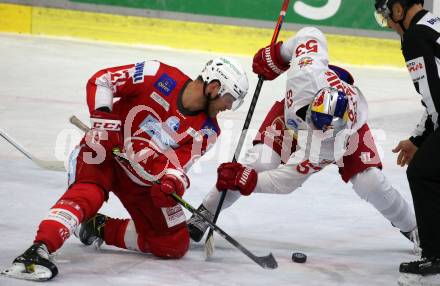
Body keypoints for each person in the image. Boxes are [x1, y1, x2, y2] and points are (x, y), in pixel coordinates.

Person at [1, 57, 249, 281]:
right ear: (214, 87)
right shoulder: (158, 74)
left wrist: (171, 183)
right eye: (229, 100)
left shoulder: (209, 130)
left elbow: (178, 165)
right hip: (105, 150)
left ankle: (96, 226)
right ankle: (39, 249)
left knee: (173, 243)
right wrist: (102, 124)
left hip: (139, 176)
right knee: (90, 193)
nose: (228, 107)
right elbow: (103, 81)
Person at [187, 27, 419, 256]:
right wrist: (279, 55)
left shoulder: (331, 142)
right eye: (315, 123)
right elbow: (311, 34)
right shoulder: (306, 75)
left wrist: (248, 180)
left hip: (346, 136)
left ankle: (415, 229)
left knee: (370, 182)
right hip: (288, 121)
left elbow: (286, 181)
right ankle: (205, 212)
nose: (316, 131)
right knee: (259, 162)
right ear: (312, 103)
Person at [374, 0, 440, 284]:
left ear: (398, 11)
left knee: (422, 172)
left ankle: (434, 255)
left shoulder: (414, 39)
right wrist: (419, 138)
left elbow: (434, 98)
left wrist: (426, 139)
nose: (388, 24)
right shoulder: (433, 24)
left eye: (385, 17)